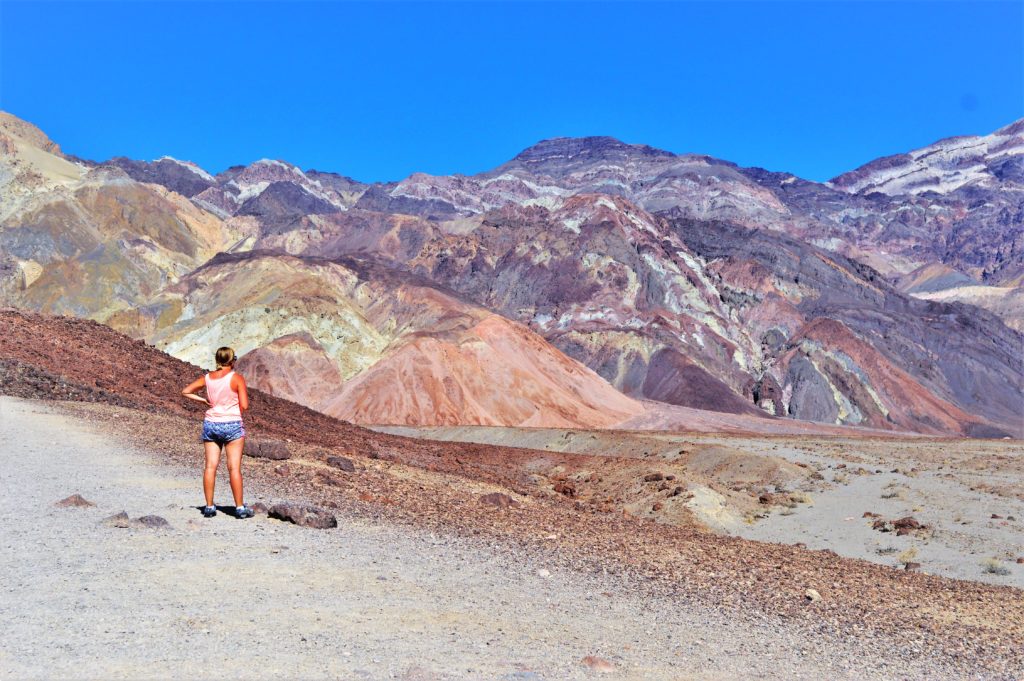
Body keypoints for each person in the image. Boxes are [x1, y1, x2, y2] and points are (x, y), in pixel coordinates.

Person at [181, 346, 254, 519]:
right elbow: (244, 405)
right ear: (231, 360)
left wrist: (204, 401)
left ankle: (209, 507)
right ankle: (240, 508)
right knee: (234, 468)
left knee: (210, 466)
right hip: (232, 424)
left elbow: (186, 391)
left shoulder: (207, 378)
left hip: (211, 423)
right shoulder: (237, 378)